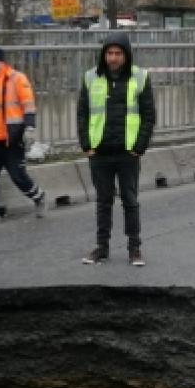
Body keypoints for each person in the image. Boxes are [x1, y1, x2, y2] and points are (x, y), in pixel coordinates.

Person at [76, 33, 156, 267]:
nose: (113, 58)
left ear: (126, 55)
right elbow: (82, 113)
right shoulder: (91, 77)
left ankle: (134, 248)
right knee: (103, 202)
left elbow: (148, 116)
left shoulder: (140, 77)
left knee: (130, 201)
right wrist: (86, 145)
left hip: (127, 152)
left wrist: (139, 147)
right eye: (109, 53)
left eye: (118, 53)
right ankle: (102, 247)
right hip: (99, 151)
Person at [0, 45, 46, 224]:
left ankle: (39, 197)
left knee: (18, 176)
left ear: (2, 61)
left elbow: (28, 104)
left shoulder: (16, 78)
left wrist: (29, 128)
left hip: (12, 139)